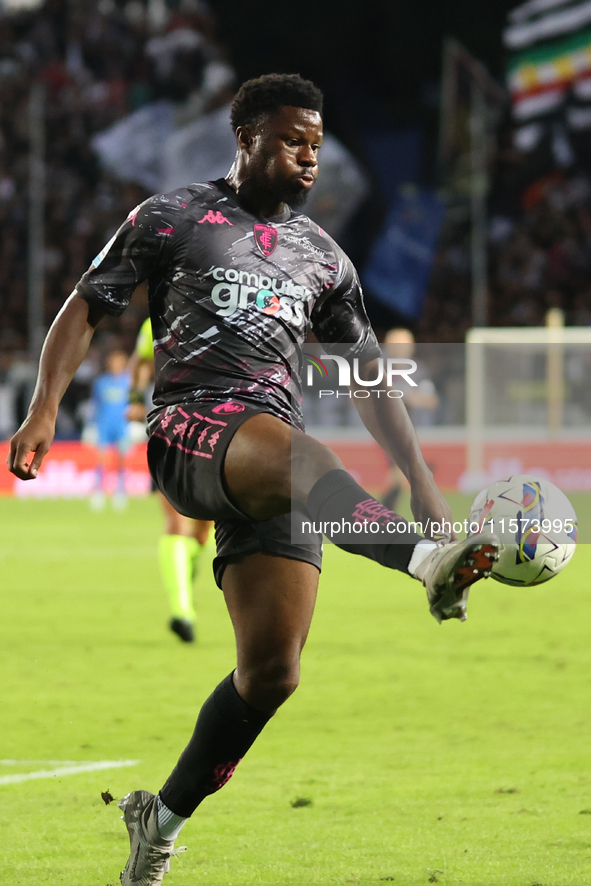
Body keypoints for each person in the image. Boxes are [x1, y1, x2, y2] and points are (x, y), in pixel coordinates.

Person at [8, 74, 498, 885]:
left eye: (314, 142)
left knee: (271, 673)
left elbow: (366, 377)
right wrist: (43, 408)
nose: (307, 156)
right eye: (291, 140)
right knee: (310, 460)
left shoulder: (323, 259)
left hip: (271, 460)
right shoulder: (170, 217)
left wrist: (421, 476)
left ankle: (157, 822)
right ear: (246, 139)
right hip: (191, 429)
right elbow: (86, 306)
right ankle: (425, 564)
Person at [129, 316, 213, 643]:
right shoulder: (158, 319)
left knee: (203, 531)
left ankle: (185, 576)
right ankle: (183, 613)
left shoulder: (224, 312)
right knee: (176, 523)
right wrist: (135, 400)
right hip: (170, 428)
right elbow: (140, 361)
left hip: (215, 433)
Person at [381, 328, 439, 512]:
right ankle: (380, 515)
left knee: (398, 477)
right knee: (400, 474)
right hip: (380, 428)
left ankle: (380, 515)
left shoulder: (418, 371)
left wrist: (412, 397)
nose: (403, 349)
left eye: (406, 345)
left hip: (405, 430)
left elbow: (431, 400)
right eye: (398, 345)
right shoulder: (376, 368)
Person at [88, 347, 131, 511]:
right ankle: (98, 492)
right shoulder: (101, 382)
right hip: (104, 424)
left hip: (121, 425)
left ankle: (120, 492)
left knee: (121, 459)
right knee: (101, 459)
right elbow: (96, 404)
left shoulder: (129, 381)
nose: (116, 365)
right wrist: (91, 424)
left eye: (119, 361)